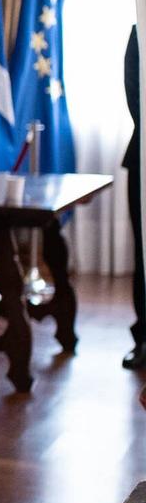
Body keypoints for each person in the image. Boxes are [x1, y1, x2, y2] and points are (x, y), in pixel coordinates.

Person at [123, 27, 142, 371]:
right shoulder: (140, 32)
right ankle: (144, 338)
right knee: (144, 252)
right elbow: (135, 96)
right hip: (143, 158)